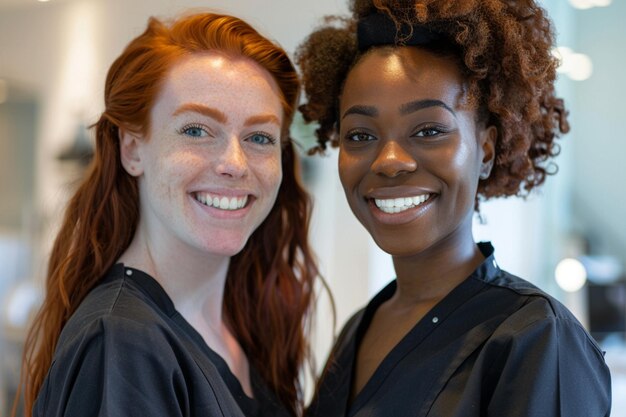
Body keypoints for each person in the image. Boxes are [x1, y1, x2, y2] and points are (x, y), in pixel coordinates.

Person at [296, 0, 611, 416]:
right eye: (359, 135)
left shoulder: (536, 338)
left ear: (485, 150)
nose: (389, 161)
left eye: (428, 130)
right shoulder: (359, 328)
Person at [16, 12, 319, 417]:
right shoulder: (123, 343)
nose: (235, 163)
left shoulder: (241, 331)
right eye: (196, 130)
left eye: (259, 137)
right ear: (132, 149)